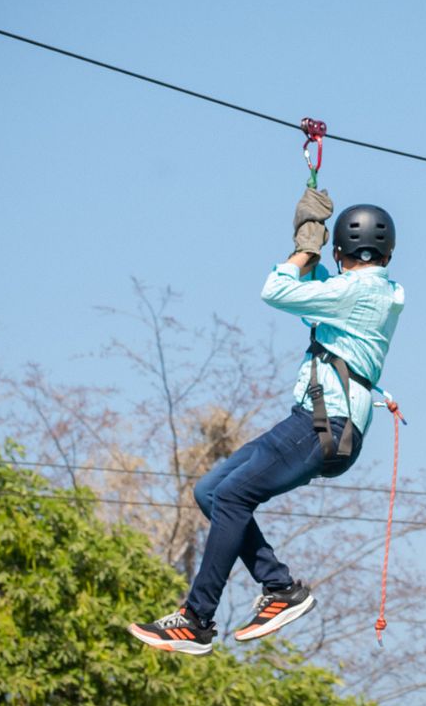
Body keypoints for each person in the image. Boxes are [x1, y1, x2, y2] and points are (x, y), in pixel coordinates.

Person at [128, 188, 404, 654]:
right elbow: (313, 295)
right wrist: (309, 249)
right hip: (317, 421)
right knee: (211, 491)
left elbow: (277, 289)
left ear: (339, 253)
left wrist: (302, 247)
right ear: (388, 252)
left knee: (232, 495)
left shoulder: (353, 289)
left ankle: (197, 619)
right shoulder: (375, 292)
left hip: (325, 424)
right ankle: (279, 587)